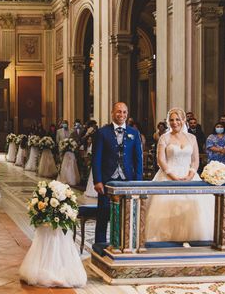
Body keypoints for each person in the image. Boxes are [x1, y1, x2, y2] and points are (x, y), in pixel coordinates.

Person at [145, 108, 214, 242]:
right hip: (168, 175)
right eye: (171, 120)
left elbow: (195, 160)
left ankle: (192, 238)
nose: (174, 122)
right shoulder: (164, 138)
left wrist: (190, 175)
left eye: (177, 119)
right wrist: (172, 176)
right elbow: (161, 160)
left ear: (183, 120)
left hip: (189, 175)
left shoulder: (192, 138)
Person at [92, 102, 143, 244]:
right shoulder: (102, 132)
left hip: (127, 181)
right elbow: (96, 158)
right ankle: (100, 246)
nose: (122, 115)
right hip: (107, 181)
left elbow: (138, 160)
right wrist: (97, 180)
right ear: (112, 113)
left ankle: (123, 245)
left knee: (126, 216)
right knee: (103, 214)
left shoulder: (134, 133)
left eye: (124, 112)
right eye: (119, 112)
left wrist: (138, 182)